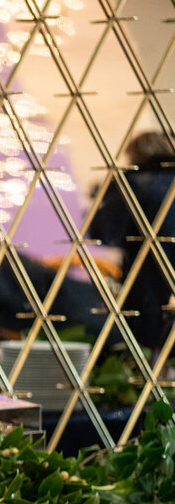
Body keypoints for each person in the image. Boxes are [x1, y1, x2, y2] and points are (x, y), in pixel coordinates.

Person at [86, 129, 175, 351]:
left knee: (145, 343)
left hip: (147, 279)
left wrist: (105, 195)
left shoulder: (134, 183)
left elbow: (102, 232)